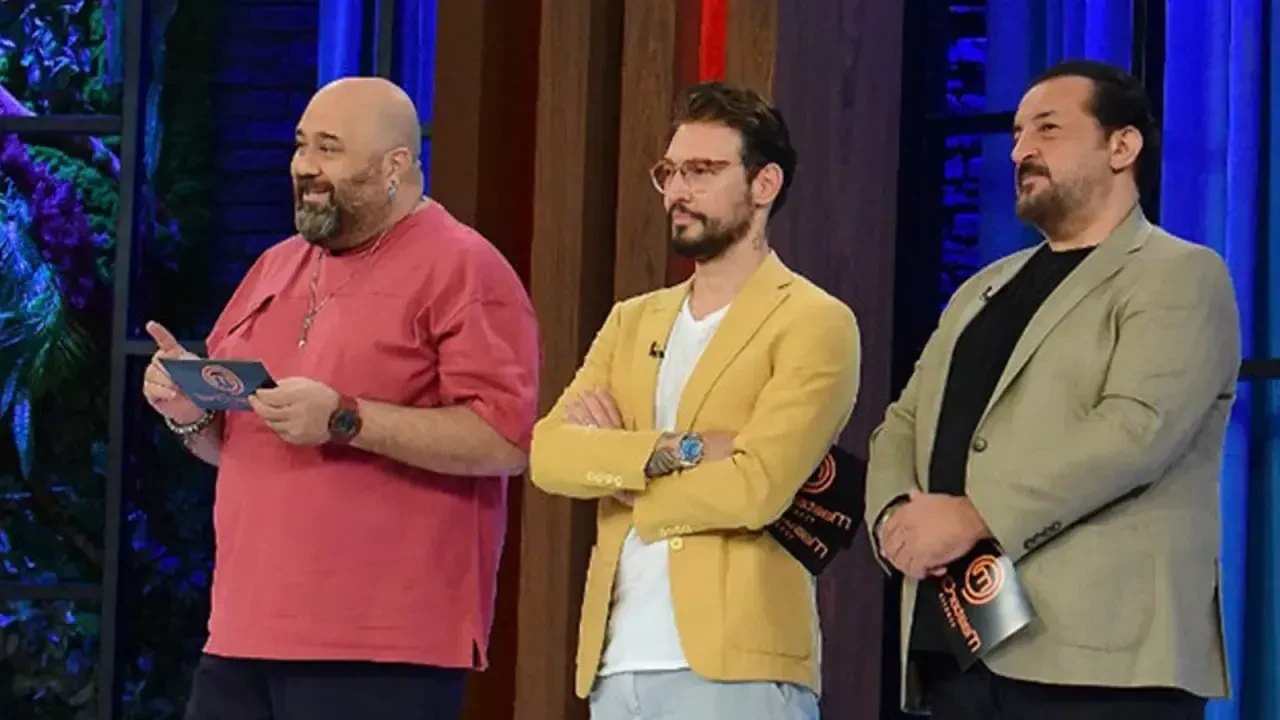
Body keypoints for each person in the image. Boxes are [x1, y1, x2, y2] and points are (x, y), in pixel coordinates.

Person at [141, 77, 541, 720]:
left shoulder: (465, 267)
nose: (304, 166)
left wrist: (344, 419)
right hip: (241, 633)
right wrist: (188, 413)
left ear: (395, 166)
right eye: (301, 146)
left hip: (381, 646)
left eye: (329, 149)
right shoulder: (274, 266)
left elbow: (504, 442)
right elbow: (236, 447)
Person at [864, 60, 1237, 719]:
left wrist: (974, 515)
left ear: (1122, 146)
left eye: (1048, 129)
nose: (1020, 151)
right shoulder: (984, 287)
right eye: (1015, 134)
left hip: (1101, 669)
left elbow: (1136, 430)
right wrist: (895, 516)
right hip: (959, 649)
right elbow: (904, 419)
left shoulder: (1178, 274)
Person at [529, 81, 860, 720]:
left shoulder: (814, 321)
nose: (677, 191)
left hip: (738, 667)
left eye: (702, 171)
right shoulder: (632, 320)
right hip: (615, 664)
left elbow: (755, 490)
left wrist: (620, 474)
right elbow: (549, 454)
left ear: (764, 184)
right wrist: (673, 451)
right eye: (670, 172)